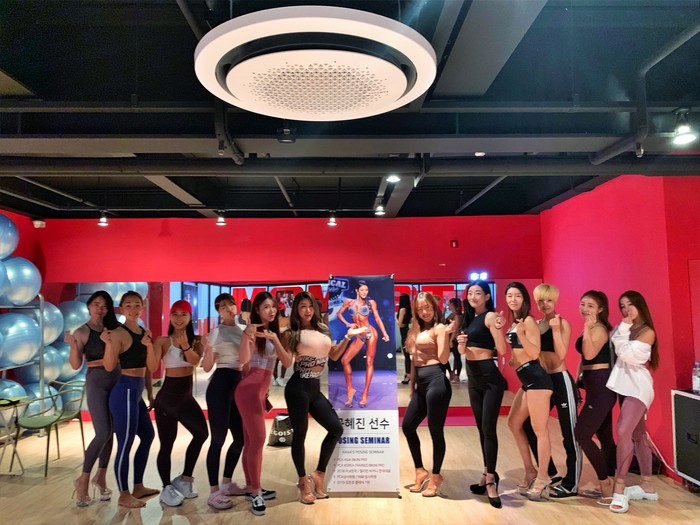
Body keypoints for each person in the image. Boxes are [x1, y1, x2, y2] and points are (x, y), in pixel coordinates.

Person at [284, 291, 366, 504]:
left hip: (314, 388)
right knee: (300, 436)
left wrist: (348, 337)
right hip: (298, 388)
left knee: (336, 429)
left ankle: (319, 473)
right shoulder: (293, 333)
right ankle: (303, 481)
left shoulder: (322, 329)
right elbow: (285, 360)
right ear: (296, 310)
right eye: (302, 306)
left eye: (310, 306)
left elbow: (335, 355)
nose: (307, 310)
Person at [235, 292, 293, 515]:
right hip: (249, 391)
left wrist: (275, 339)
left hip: (259, 392)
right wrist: (246, 336)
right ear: (257, 311)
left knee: (251, 442)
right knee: (257, 440)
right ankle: (256, 492)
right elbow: (243, 361)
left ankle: (252, 488)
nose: (271, 310)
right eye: (265, 307)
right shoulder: (252, 333)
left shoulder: (277, 334)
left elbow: (287, 362)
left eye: (273, 307)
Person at [523, 284, 581, 498]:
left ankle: (571, 484)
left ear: (555, 301)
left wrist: (555, 330)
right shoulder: (536, 324)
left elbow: (562, 354)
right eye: (540, 301)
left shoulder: (562, 323)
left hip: (561, 379)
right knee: (529, 425)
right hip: (543, 380)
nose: (544, 304)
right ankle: (549, 472)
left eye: (548, 300)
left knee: (569, 434)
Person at [103, 290, 160, 508]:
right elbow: (109, 366)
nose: (133, 309)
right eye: (128, 305)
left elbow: (151, 367)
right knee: (125, 444)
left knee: (147, 436)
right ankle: (124, 494)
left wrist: (150, 392)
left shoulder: (145, 333)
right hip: (124, 392)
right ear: (121, 309)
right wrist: (109, 344)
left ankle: (138, 486)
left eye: (137, 305)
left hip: (136, 393)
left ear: (142, 307)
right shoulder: (118, 333)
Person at [66, 290, 121, 507]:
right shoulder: (82, 331)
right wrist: (73, 346)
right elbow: (75, 365)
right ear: (89, 306)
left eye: (104, 305)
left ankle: (101, 477)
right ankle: (83, 479)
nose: (100, 309)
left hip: (116, 379)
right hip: (97, 382)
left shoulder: (113, 329)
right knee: (103, 432)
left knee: (111, 432)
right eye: (96, 304)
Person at [152, 300, 208, 507]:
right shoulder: (162, 341)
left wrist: (185, 345)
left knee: (201, 433)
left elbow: (194, 361)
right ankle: (166, 488)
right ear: (169, 317)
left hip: (185, 398)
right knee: (167, 444)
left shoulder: (197, 340)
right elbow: (152, 366)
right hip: (166, 399)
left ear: (190, 317)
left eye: (183, 314)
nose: (178, 318)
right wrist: (149, 347)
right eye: (174, 314)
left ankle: (184, 479)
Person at [607, 291, 658, 514]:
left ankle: (619, 487)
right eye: (622, 306)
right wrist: (623, 329)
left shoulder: (647, 332)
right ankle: (647, 485)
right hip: (624, 385)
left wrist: (623, 330)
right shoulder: (626, 328)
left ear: (640, 305)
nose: (626, 309)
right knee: (638, 435)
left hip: (638, 388)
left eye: (630, 304)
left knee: (623, 431)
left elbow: (626, 354)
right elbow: (614, 344)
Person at [456, 281, 507, 508]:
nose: (473, 296)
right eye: (470, 293)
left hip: (489, 378)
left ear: (487, 296)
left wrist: (499, 328)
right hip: (473, 378)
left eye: (478, 293)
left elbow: (502, 350)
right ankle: (486, 474)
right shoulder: (469, 318)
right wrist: (461, 344)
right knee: (481, 429)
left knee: (488, 429)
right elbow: (462, 352)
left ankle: (491, 481)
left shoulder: (490, 317)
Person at [402, 292, 455, 498]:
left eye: (428, 307)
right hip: (421, 383)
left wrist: (446, 336)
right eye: (420, 308)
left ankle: (436, 476)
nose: (424, 312)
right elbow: (414, 360)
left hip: (437, 381)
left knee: (435, 431)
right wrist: (412, 387)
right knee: (408, 426)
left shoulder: (439, 328)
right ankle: (420, 470)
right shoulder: (415, 329)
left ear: (434, 307)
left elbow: (443, 359)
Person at [201, 293, 250, 510]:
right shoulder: (215, 333)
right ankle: (213, 492)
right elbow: (206, 367)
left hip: (238, 385)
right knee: (218, 439)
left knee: (240, 438)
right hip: (220, 385)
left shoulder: (243, 330)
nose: (228, 308)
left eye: (230, 304)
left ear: (236, 306)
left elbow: (247, 362)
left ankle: (227, 483)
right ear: (218, 311)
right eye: (222, 306)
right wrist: (207, 348)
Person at [503, 282, 552, 502]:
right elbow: (520, 353)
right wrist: (513, 359)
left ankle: (543, 477)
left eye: (517, 296)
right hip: (526, 378)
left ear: (524, 299)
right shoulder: (516, 322)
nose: (513, 300)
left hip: (537, 380)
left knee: (540, 430)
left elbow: (534, 353)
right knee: (513, 423)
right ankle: (530, 470)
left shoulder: (529, 321)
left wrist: (521, 335)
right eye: (509, 296)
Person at [573, 290, 616, 503]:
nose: (585, 309)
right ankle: (611, 484)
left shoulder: (598, 329)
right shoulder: (591, 328)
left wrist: (587, 329)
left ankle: (605, 482)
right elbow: (584, 359)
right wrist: (576, 380)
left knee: (581, 434)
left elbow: (589, 353)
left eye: (590, 305)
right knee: (605, 436)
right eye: (583, 304)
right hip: (594, 385)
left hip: (601, 387)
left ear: (600, 309)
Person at [336, 280, 390, 408]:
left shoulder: (371, 303)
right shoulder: (349, 302)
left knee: (369, 362)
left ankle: (365, 393)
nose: (364, 292)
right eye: (362, 290)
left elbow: (377, 318)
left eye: (366, 290)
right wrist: (348, 324)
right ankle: (350, 390)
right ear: (357, 291)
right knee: (344, 360)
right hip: (358, 334)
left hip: (370, 333)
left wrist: (385, 333)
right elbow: (338, 314)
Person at [444, 298, 463, 383]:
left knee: (457, 357)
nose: (448, 305)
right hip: (449, 337)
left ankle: (457, 375)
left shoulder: (457, 315)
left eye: (449, 303)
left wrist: (451, 340)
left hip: (454, 338)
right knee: (446, 356)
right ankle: (452, 372)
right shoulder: (451, 314)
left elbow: (456, 329)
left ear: (453, 304)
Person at [397, 293, 412, 384]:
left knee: (407, 356)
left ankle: (408, 374)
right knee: (408, 356)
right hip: (407, 332)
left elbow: (400, 324)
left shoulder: (402, 309)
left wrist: (395, 318)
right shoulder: (409, 310)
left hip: (404, 335)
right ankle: (409, 374)